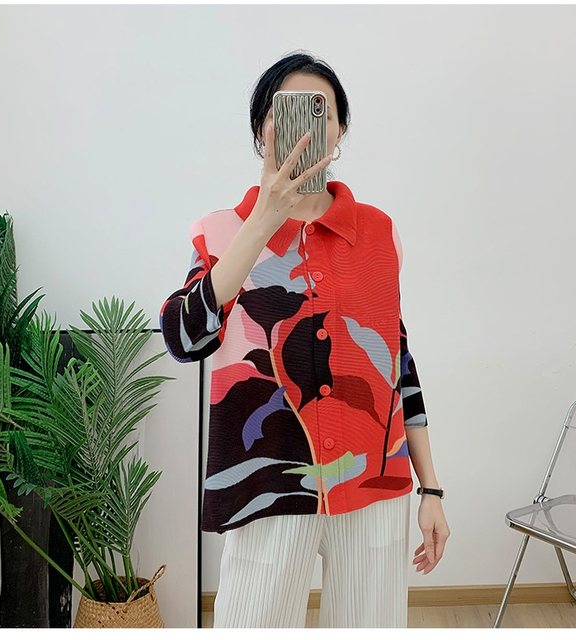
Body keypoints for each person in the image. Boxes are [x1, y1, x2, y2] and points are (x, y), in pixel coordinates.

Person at [159, 51, 450, 628]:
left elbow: (398, 363)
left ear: (339, 132)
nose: (307, 126)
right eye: (288, 111)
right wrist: (262, 222)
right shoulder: (221, 231)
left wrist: (431, 489)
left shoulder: (378, 232)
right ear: (261, 129)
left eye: (323, 112)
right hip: (267, 483)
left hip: (374, 481)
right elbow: (184, 338)